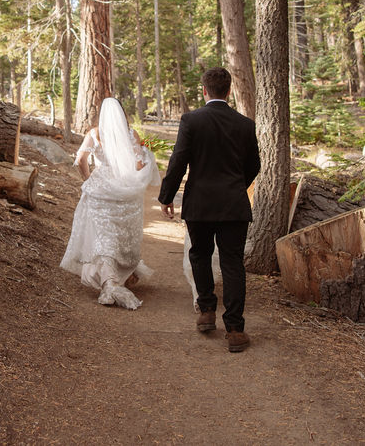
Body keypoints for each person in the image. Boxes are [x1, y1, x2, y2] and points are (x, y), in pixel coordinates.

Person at [158, 67, 261, 352]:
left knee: (200, 255)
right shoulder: (245, 124)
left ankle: (205, 311)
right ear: (228, 91)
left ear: (204, 91)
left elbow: (178, 160)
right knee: (232, 263)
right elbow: (254, 165)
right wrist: (238, 186)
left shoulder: (191, 120)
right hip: (234, 205)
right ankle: (236, 330)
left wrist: (167, 196)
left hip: (200, 204)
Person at [60, 97, 161, 310]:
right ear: (122, 114)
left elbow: (80, 160)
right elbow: (139, 162)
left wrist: (88, 179)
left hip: (101, 189)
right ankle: (116, 279)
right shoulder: (132, 134)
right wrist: (147, 155)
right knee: (120, 233)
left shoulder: (94, 133)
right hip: (125, 189)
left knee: (102, 235)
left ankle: (110, 283)